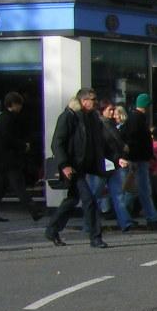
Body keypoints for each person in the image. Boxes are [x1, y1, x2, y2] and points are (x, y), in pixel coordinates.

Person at [45, 88, 108, 248]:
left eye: (95, 99)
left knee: (72, 200)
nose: (95, 102)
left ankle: (52, 230)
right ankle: (95, 237)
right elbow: (57, 143)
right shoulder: (69, 116)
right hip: (73, 167)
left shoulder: (92, 118)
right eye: (92, 99)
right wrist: (64, 165)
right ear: (83, 100)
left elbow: (99, 142)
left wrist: (115, 158)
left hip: (83, 166)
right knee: (89, 200)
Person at [0, 91, 42, 221]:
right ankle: (34, 210)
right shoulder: (8, 119)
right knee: (19, 186)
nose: (20, 107)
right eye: (19, 104)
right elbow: (8, 138)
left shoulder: (3, 118)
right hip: (9, 160)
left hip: (2, 160)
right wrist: (23, 145)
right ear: (13, 104)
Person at [122, 94, 157, 228]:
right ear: (146, 106)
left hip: (138, 158)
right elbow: (137, 140)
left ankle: (125, 216)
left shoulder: (133, 118)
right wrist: (146, 154)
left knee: (134, 190)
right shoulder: (138, 119)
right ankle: (151, 218)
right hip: (138, 159)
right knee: (142, 189)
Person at [95, 102, 137, 234]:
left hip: (114, 164)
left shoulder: (111, 125)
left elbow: (118, 145)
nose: (113, 112)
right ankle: (90, 224)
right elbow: (105, 146)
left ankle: (125, 222)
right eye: (110, 110)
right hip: (103, 164)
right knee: (95, 194)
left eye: (113, 110)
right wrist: (118, 156)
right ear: (102, 111)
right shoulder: (99, 125)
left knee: (118, 194)